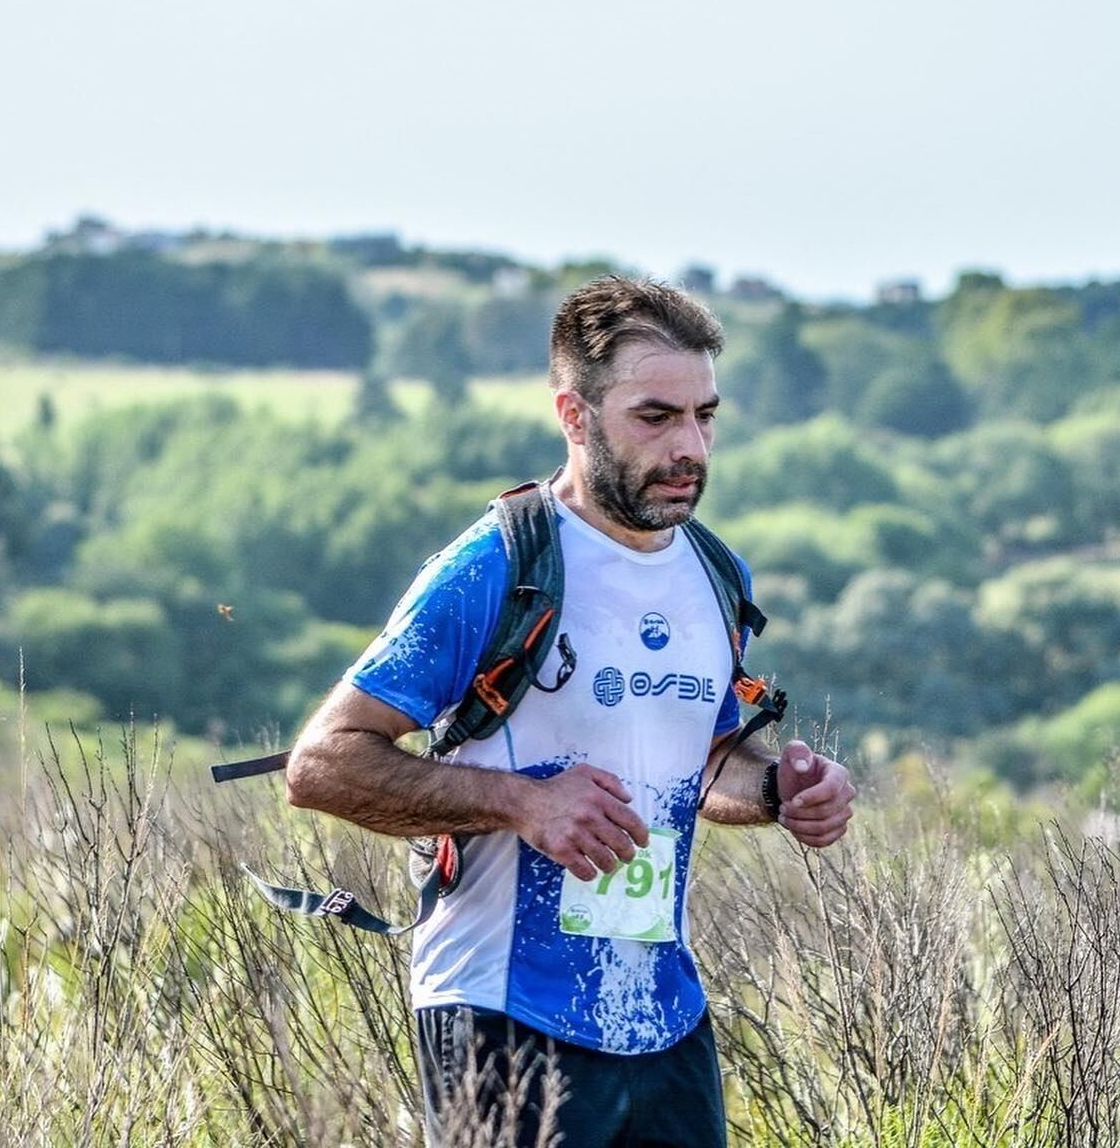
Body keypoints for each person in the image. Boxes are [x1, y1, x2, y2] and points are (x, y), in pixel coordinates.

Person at [285, 275, 856, 1147]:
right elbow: (321, 763)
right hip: (502, 1012)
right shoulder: (494, 568)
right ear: (575, 413)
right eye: (656, 416)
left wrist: (783, 790)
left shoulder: (716, 575)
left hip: (663, 1020)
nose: (690, 446)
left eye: (706, 416)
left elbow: (700, 766)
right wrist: (525, 803)